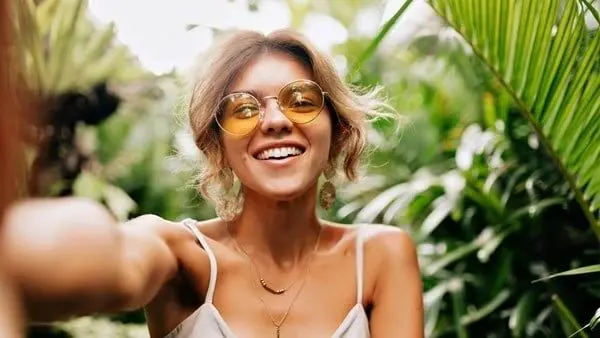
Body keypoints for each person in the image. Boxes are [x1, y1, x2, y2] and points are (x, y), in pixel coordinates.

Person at [2, 29, 424, 337]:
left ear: (336, 126)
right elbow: (111, 257)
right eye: (243, 108)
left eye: (301, 101)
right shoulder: (182, 259)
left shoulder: (379, 258)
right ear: (216, 142)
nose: (275, 121)